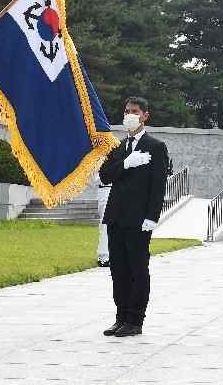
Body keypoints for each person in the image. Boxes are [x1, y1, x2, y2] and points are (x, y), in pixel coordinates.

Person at [98, 96, 169, 337]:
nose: (130, 115)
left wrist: (152, 216)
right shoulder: (117, 147)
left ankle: (135, 320)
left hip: (139, 220)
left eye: (135, 111)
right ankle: (121, 316)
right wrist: (126, 164)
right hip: (116, 217)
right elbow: (105, 175)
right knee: (118, 270)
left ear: (145, 115)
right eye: (127, 111)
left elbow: (158, 186)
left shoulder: (155, 147)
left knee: (137, 270)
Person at [92, 172, 111, 267]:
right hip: (106, 189)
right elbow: (96, 178)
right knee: (106, 224)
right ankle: (103, 256)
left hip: (119, 189)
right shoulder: (101, 158)